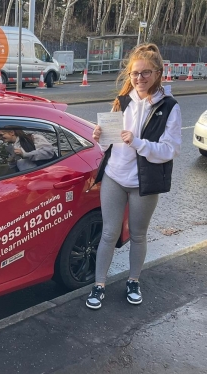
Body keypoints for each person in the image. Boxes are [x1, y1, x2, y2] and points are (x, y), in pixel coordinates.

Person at [86, 43, 182, 310]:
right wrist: (100, 138)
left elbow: (171, 149)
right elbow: (109, 145)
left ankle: (133, 281)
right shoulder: (123, 101)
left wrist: (139, 143)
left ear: (158, 73)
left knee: (138, 235)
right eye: (134, 73)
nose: (139, 78)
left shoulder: (169, 107)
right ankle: (99, 285)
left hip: (144, 182)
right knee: (108, 233)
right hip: (115, 177)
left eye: (145, 73)